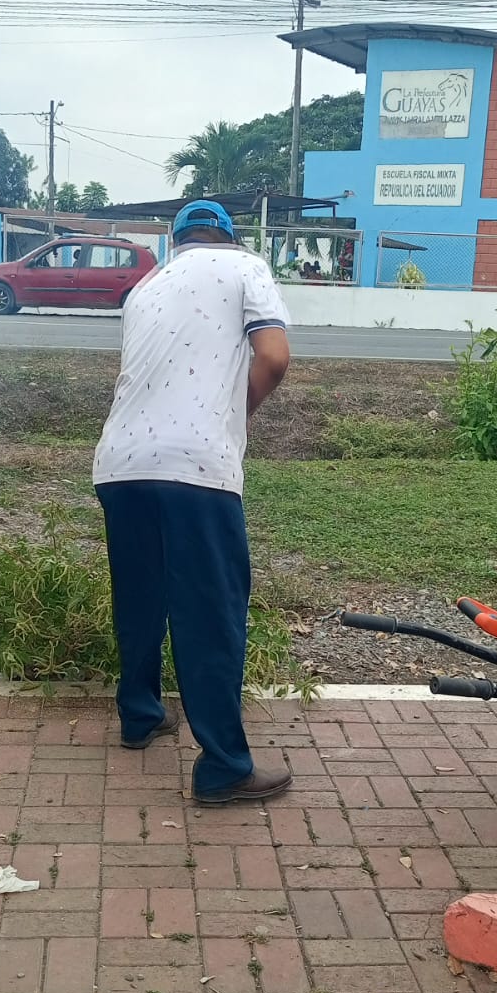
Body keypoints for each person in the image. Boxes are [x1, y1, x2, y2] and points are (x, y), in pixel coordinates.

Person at [93, 198, 292, 805]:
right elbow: (274, 356)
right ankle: (224, 766)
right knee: (209, 612)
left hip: (120, 461)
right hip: (196, 465)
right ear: (228, 237)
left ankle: (140, 715)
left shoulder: (145, 287)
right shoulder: (245, 266)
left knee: (140, 595)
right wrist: (238, 413)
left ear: (176, 242)